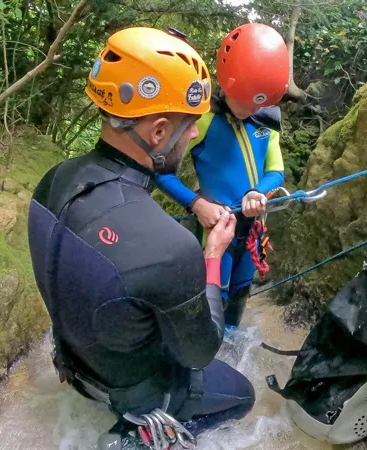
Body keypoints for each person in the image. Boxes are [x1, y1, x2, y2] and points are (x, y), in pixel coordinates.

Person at [26, 26, 255, 441]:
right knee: (242, 395)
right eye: (189, 126)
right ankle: (141, 436)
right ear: (158, 131)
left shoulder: (53, 180)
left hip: (75, 361)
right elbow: (201, 350)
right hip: (135, 391)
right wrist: (212, 254)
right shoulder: (170, 248)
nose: (194, 135)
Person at [154, 23, 289, 329]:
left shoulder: (266, 121)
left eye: (257, 101)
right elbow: (161, 172)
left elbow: (276, 171)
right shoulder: (203, 118)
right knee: (213, 295)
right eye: (242, 98)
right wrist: (196, 204)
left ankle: (231, 348)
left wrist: (258, 192)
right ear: (227, 83)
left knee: (241, 291)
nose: (249, 107)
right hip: (214, 225)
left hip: (252, 226)